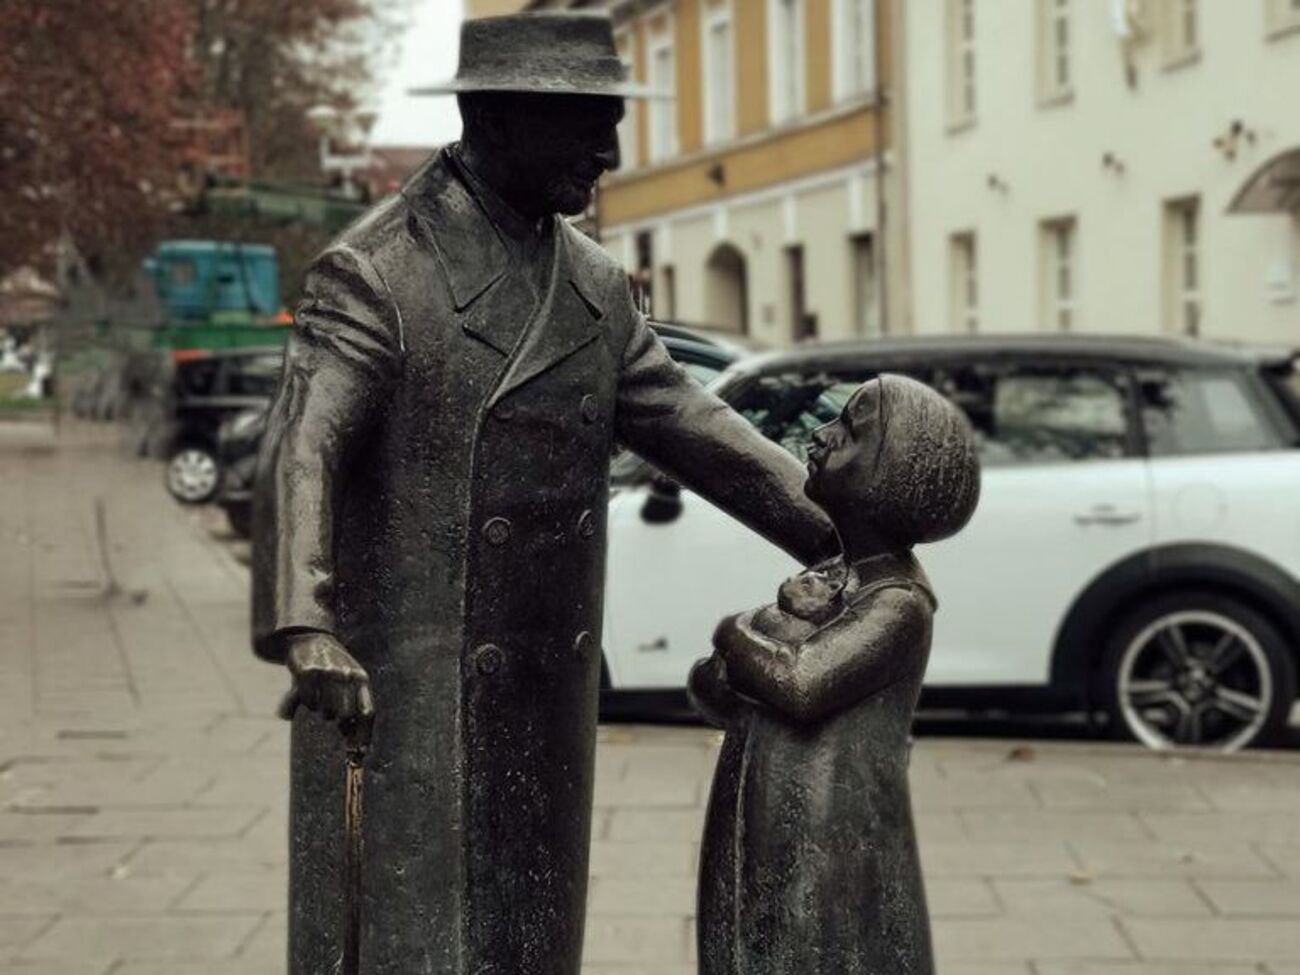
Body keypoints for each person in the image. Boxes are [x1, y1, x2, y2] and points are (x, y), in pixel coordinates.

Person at [252, 12, 836, 975]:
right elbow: (303, 442)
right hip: (412, 698)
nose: (610, 152)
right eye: (590, 124)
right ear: (503, 117)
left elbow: (691, 425)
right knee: (418, 945)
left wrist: (845, 529)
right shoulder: (380, 271)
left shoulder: (596, 287)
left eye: (614, 121)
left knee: (527, 936)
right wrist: (304, 625)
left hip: (542, 692)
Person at [690, 374, 981, 975]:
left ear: (890, 472)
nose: (820, 435)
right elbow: (713, 689)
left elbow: (797, 684)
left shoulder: (897, 603)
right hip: (757, 824)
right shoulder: (829, 578)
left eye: (848, 429)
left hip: (829, 839)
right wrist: (739, 659)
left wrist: (735, 628)